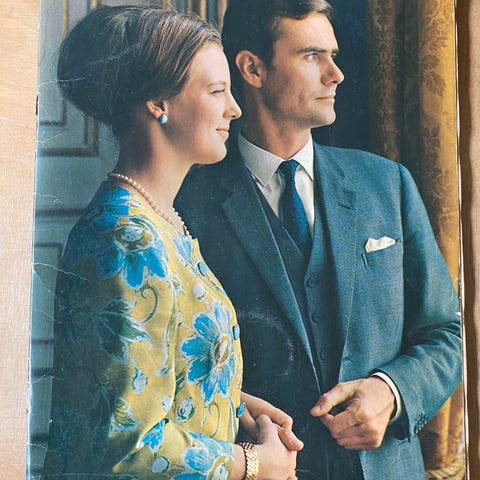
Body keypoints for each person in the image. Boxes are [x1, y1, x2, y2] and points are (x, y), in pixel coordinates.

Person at [175, 0, 463, 478]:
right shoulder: (187, 201)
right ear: (252, 68)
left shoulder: (386, 184)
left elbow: (445, 334)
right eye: (312, 56)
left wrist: (391, 391)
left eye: (333, 56)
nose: (336, 75)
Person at [42, 5, 301, 479]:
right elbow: (126, 448)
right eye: (217, 91)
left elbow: (142, 379)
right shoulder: (128, 238)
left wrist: (225, 397)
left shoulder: (161, 221)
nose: (235, 109)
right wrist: (253, 463)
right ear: (159, 102)